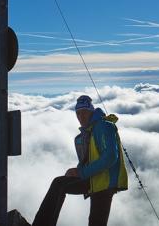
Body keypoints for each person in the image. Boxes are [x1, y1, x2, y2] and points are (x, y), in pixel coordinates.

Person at [32, 95, 128, 226]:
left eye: (84, 112)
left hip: (104, 183)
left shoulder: (103, 126)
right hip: (95, 180)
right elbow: (91, 158)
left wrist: (81, 173)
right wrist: (77, 171)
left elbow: (111, 157)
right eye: (77, 113)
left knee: (59, 185)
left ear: (91, 112)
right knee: (59, 185)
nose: (80, 117)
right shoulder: (90, 131)